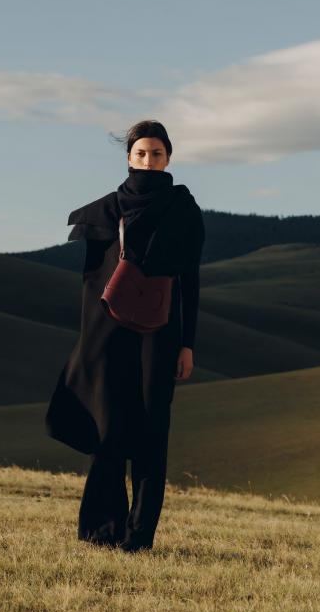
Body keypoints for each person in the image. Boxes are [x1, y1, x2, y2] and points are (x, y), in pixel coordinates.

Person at [45, 119, 205, 553]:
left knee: (152, 430)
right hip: (108, 335)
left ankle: (138, 537)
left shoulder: (183, 210)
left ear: (168, 158)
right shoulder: (105, 212)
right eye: (141, 154)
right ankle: (103, 531)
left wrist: (187, 344)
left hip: (160, 334)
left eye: (156, 153)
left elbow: (190, 282)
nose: (148, 161)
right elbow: (91, 283)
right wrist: (88, 344)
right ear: (129, 158)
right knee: (109, 428)